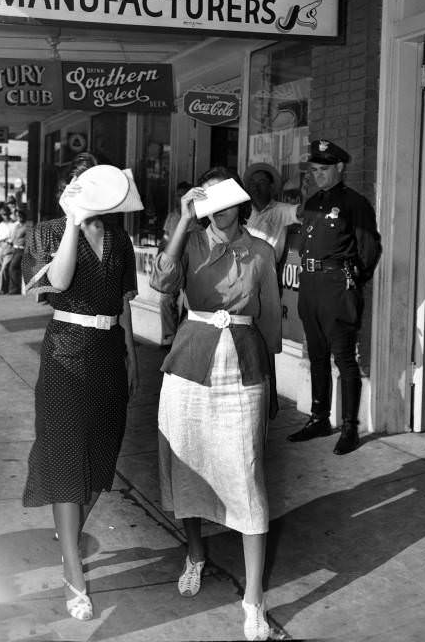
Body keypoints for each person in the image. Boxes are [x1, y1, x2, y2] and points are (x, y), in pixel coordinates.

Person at [150, 167, 281, 642]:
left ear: (241, 201)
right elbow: (162, 284)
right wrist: (184, 221)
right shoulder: (189, 242)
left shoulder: (262, 250)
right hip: (189, 364)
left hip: (244, 367)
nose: (221, 209)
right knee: (189, 463)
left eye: (229, 199)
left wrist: (271, 386)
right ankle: (195, 553)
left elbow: (268, 325)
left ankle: (253, 600)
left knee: (246, 475)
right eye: (211, 199)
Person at [22, 153, 139, 622]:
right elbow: (61, 279)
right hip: (66, 350)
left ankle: (67, 538)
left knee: (98, 456)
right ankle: (74, 575)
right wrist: (72, 222)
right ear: (68, 188)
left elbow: (124, 302)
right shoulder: (47, 231)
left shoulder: (121, 238)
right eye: (78, 182)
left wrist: (131, 355)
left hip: (109, 350)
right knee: (67, 455)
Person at [288, 139, 382, 455]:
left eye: (324, 169)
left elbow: (369, 249)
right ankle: (319, 418)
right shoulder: (313, 202)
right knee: (316, 355)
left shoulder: (356, 204)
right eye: (314, 170)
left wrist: (352, 280)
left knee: (343, 357)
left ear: (339, 167)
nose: (318, 175)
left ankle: (350, 428)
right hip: (311, 285)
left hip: (337, 286)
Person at [243, 162, 303, 418]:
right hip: (240, 279)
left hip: (267, 279)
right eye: (252, 183)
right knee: (243, 339)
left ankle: (270, 401)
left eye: (262, 182)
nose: (256, 186)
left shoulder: (280, 211)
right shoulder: (242, 211)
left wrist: (308, 189)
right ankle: (249, 398)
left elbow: (303, 212)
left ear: (272, 186)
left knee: (266, 342)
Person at [158, 181, 194, 347]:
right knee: (166, 299)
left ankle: (182, 339)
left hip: (191, 264)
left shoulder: (197, 217)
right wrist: (160, 259)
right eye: (178, 195)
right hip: (172, 264)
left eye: (183, 195)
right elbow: (165, 239)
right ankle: (169, 337)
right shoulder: (172, 216)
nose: (179, 198)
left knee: (189, 303)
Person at [0, 206, 15, 295]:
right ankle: (2, 286)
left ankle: (2, 289)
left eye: (5, 214)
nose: (4, 216)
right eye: (2, 215)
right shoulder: (0, 225)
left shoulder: (14, 224)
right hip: (0, 247)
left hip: (9, 247)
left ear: (9, 214)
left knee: (4, 269)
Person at [8, 208, 27, 295]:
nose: (19, 218)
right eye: (17, 216)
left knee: (13, 267)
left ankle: (15, 289)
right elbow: (13, 237)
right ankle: (14, 288)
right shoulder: (17, 226)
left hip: (21, 249)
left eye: (20, 216)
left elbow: (28, 239)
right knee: (13, 268)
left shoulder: (26, 227)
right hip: (15, 249)